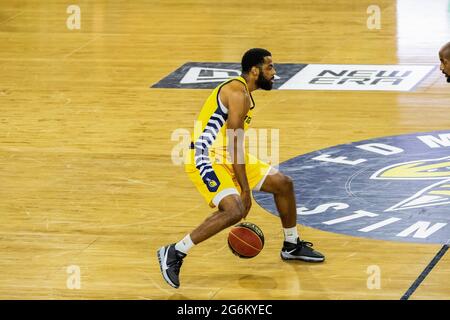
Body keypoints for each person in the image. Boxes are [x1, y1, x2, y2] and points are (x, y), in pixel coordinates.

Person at [157, 48, 325, 289]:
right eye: (270, 67)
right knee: (234, 209)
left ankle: (291, 244)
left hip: (226, 154)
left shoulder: (245, 94)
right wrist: (246, 192)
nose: (274, 73)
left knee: (283, 184)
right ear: (254, 71)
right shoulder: (237, 93)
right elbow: (235, 144)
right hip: (206, 156)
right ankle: (174, 252)